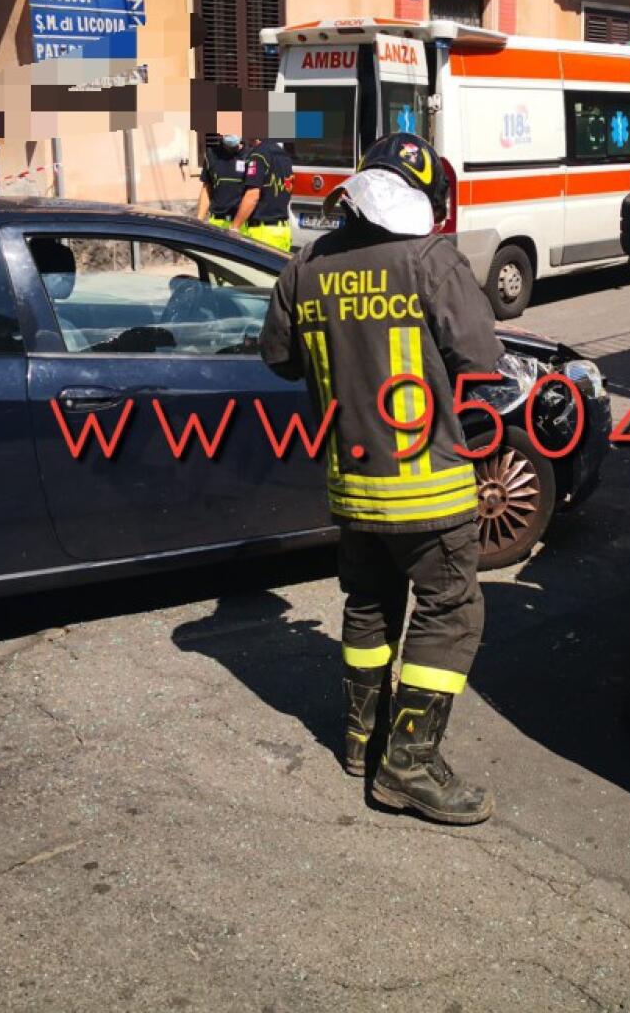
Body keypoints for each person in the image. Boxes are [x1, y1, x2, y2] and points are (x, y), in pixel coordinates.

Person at [260, 133, 502, 826]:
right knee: (449, 612)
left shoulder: (305, 268)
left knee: (368, 605)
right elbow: (482, 356)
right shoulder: (430, 260)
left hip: (353, 488)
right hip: (430, 488)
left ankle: (362, 742)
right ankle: (411, 765)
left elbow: (277, 358)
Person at [236, 136, 293, 251]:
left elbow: (252, 196)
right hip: (282, 230)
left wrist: (234, 227)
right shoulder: (283, 155)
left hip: (262, 232)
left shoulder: (259, 154)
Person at [196, 132, 250, 230]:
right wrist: (199, 221)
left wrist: (236, 226)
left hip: (242, 223)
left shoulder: (251, 156)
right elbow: (207, 189)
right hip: (217, 222)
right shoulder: (211, 155)